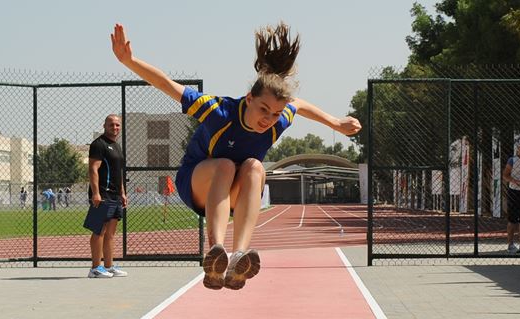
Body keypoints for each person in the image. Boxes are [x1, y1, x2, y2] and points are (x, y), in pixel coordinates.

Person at [111, 23, 361, 290]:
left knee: (254, 167)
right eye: (264, 109)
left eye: (275, 114)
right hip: (196, 182)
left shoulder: (279, 120)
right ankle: (215, 252)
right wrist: (130, 61)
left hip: (232, 192)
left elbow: (298, 105)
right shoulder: (219, 111)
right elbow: (166, 85)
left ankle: (238, 257)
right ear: (249, 98)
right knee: (226, 165)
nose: (268, 119)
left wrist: (335, 123)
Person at [84, 114, 128, 279]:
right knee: (99, 231)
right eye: (111, 125)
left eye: (117, 125)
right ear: (104, 125)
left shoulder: (116, 146)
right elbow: (93, 169)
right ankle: (95, 268)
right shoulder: (98, 144)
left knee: (110, 233)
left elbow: (118, 172)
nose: (114, 128)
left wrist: (122, 193)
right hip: (103, 194)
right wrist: (96, 192)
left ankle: (108, 266)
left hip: (115, 195)